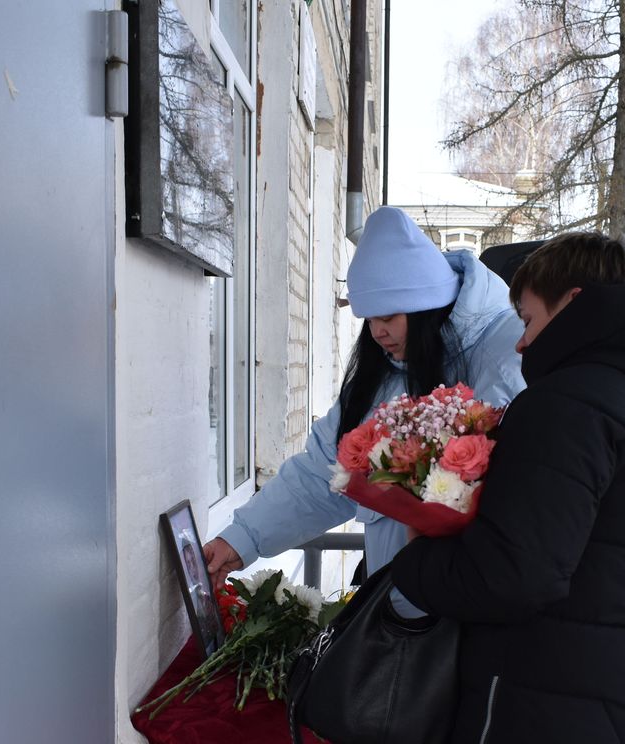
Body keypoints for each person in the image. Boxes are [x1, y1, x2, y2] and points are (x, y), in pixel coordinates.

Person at [391, 232, 625, 744]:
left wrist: (415, 556)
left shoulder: (568, 403)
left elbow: (512, 577)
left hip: (545, 709)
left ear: (573, 301)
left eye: (527, 319)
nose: (521, 342)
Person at [203, 206, 525, 601]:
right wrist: (241, 539)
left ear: (426, 305)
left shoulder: (505, 354)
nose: (377, 333)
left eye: (388, 316)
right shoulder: (386, 373)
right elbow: (321, 474)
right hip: (395, 612)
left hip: (468, 613)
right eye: (367, 319)